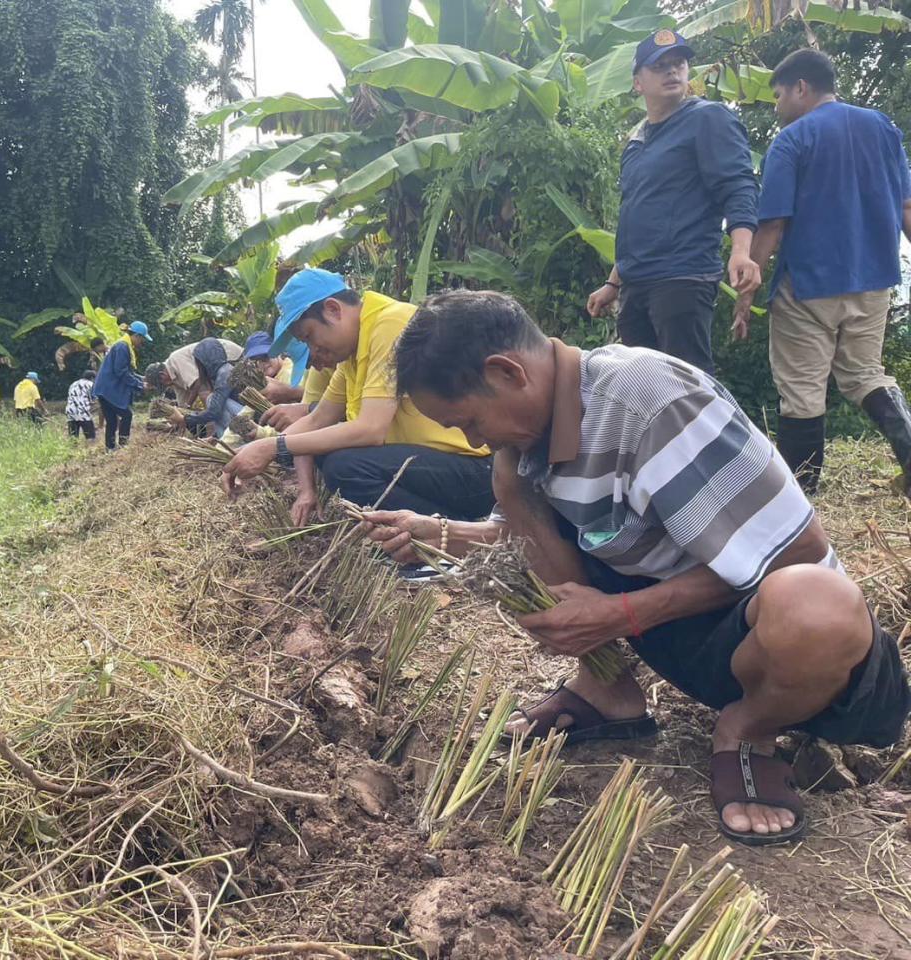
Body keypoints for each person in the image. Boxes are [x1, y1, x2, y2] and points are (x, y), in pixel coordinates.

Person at [361, 289, 908, 846]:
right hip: (677, 632)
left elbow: (797, 553)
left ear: (507, 372)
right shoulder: (531, 444)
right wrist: (441, 533)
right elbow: (522, 537)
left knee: (818, 606)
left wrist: (621, 614)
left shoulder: (648, 402)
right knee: (509, 479)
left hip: (785, 656)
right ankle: (609, 692)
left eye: (468, 421)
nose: (473, 440)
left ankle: (747, 730)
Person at [733, 49, 911, 495]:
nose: (776, 108)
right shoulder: (884, 128)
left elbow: (773, 223)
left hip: (808, 284)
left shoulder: (792, 140)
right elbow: (906, 206)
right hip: (873, 279)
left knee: (801, 388)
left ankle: (803, 490)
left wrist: (746, 291)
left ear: (801, 88)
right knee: (866, 374)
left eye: (777, 96)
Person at [221, 268, 495, 527]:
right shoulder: (352, 356)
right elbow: (317, 420)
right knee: (329, 455)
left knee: (346, 467)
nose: (313, 349)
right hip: (431, 468)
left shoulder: (391, 322)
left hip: (475, 471)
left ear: (333, 309)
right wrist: (264, 450)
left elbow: (371, 430)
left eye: (309, 336)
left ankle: (448, 532)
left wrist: (272, 448)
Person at [585, 29, 761, 373]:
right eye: (660, 65)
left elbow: (738, 185)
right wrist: (613, 283)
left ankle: (723, 430)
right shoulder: (636, 144)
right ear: (638, 83)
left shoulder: (708, 118)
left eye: (678, 64)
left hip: (682, 276)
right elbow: (638, 217)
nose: (672, 71)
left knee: (690, 388)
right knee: (647, 391)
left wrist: (741, 251)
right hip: (636, 287)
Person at [93, 320, 152, 449]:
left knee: (112, 421)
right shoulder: (122, 347)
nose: (142, 343)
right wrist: (141, 386)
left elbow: (127, 371)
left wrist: (142, 379)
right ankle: (123, 446)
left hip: (104, 389)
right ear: (136, 336)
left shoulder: (124, 345)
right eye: (142, 339)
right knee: (127, 414)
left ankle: (110, 448)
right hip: (108, 389)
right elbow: (121, 372)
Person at [144, 338, 243, 408]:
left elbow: (198, 383)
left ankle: (213, 431)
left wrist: (189, 405)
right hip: (214, 366)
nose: (165, 385)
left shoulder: (175, 360)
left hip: (229, 355)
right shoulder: (173, 380)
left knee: (209, 395)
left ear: (162, 374)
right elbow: (183, 404)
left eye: (161, 383)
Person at [66, 370, 97, 440]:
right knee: (90, 436)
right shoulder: (90, 384)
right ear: (92, 378)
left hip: (70, 411)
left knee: (73, 437)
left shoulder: (73, 384)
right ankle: (89, 449)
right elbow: (92, 399)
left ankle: (73, 449)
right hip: (83, 412)